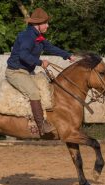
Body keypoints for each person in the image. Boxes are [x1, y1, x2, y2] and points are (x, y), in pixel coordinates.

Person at [6, 7, 76, 136]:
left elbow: (51, 48)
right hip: (16, 72)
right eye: (46, 23)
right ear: (38, 25)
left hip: (27, 72)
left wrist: (68, 56)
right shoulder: (27, 36)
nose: (48, 26)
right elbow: (23, 55)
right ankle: (41, 125)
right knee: (34, 93)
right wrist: (40, 63)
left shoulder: (38, 37)